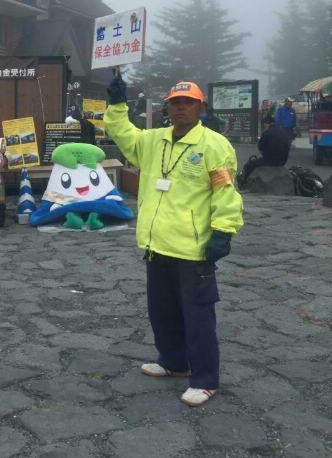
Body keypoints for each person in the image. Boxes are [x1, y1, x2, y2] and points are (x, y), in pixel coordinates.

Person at [104, 76, 244, 407]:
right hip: (157, 245)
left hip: (193, 248)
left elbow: (226, 192)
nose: (180, 107)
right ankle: (174, 362)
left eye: (188, 102)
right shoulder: (153, 140)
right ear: (167, 108)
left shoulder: (214, 145)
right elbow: (122, 133)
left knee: (198, 317)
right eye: (175, 103)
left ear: (201, 108)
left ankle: (206, 380)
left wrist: (223, 231)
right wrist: (117, 104)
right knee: (162, 311)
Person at [239, 116, 291, 185]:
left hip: (270, 160)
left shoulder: (266, 133)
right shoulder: (283, 132)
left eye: (263, 125)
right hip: (283, 161)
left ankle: (243, 183)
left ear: (266, 124)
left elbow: (261, 148)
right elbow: (288, 146)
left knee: (248, 165)